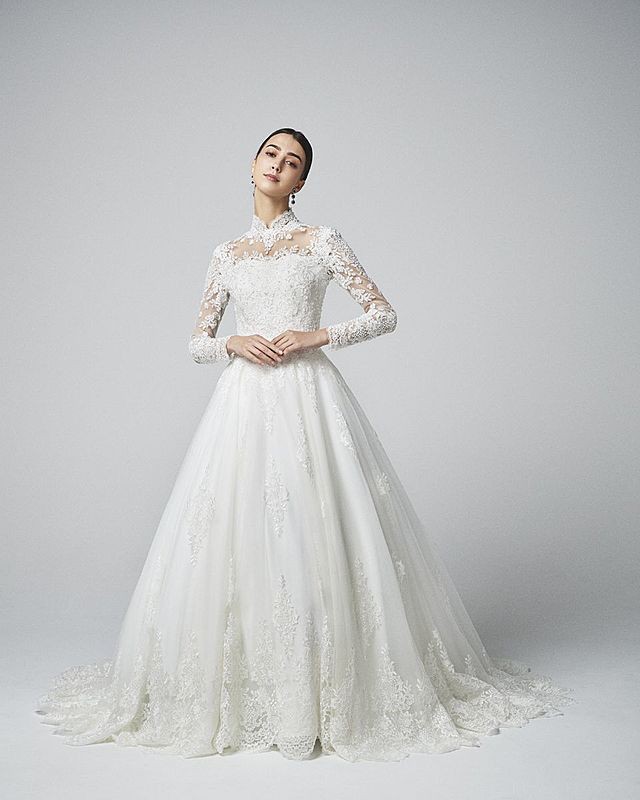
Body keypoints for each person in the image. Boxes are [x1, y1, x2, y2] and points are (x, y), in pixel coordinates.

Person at [35, 127, 575, 762]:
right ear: (253, 164)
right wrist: (233, 343)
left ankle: (327, 693)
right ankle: (249, 691)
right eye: (271, 154)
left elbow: (383, 313)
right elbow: (197, 343)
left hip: (309, 399)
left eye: (292, 162)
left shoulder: (321, 241)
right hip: (242, 404)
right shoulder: (226, 254)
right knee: (234, 537)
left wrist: (313, 336)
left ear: (301, 182)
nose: (278, 165)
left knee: (313, 533)